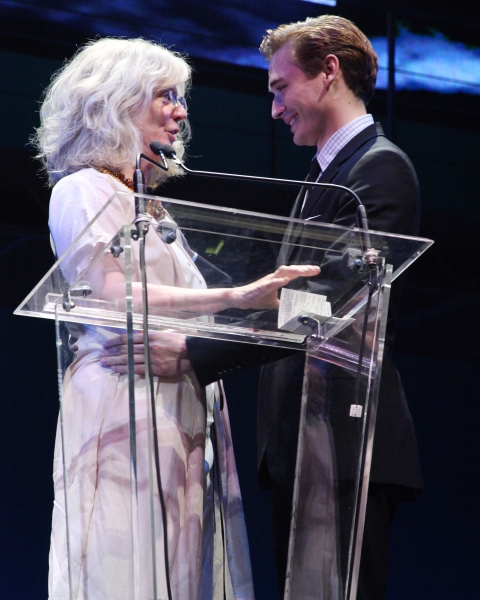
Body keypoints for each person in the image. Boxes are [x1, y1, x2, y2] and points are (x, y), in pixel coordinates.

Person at [101, 16, 423, 600]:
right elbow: (278, 292)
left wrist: (196, 352)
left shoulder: (379, 170)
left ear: (329, 72)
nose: (274, 110)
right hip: (305, 442)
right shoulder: (323, 178)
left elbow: (323, 305)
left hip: (346, 439)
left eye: (280, 88)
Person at [33, 37, 320, 600]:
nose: (181, 112)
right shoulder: (81, 189)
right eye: (166, 96)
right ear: (115, 102)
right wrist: (236, 299)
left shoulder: (149, 206)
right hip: (125, 395)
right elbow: (116, 297)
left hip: (171, 395)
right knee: (124, 560)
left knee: (182, 569)